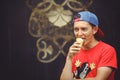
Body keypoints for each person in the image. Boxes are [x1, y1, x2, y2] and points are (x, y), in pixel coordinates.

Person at [60, 11, 117, 80]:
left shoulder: (107, 50)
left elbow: (99, 79)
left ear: (94, 30)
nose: (79, 33)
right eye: (76, 29)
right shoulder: (74, 51)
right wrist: (69, 58)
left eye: (84, 29)